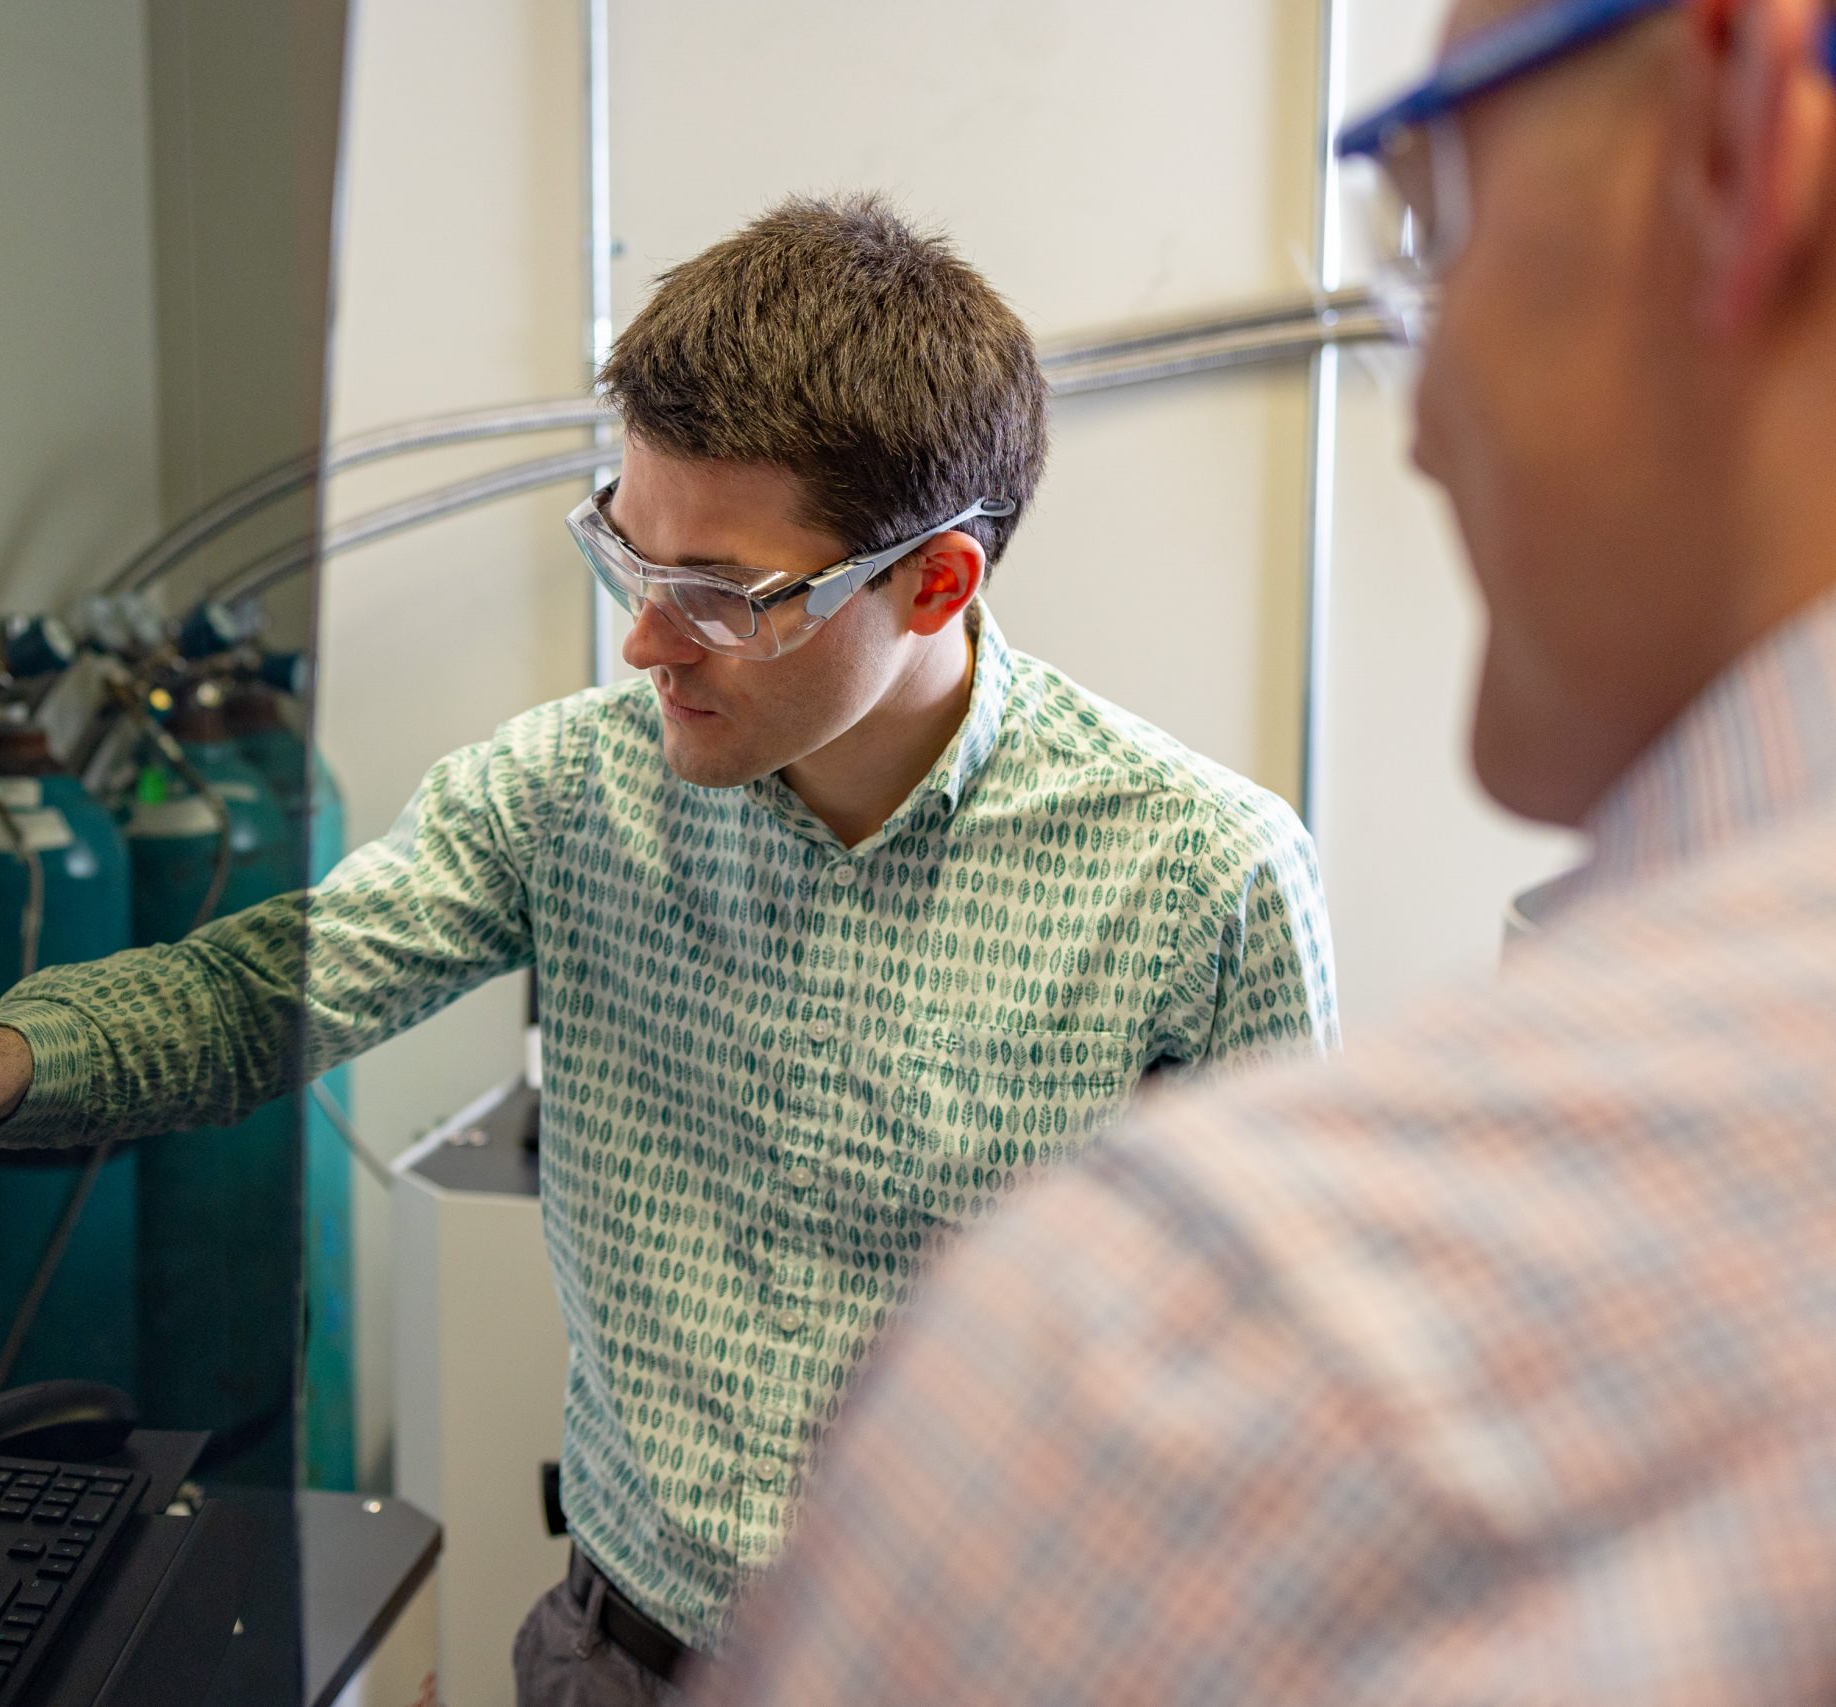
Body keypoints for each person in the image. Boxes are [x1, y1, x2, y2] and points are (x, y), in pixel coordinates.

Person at [0, 194, 1339, 1703]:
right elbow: (263, 990)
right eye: (622, 546)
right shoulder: (567, 794)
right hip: (619, 1659)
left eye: (724, 593)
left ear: (939, 585)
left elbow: (1300, 1391)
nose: (645, 636)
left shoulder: (1202, 881)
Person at [696, 2, 1836, 1702]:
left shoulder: (1185, 1356)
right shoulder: (580, 782)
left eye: (1433, 218)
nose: (1423, 422)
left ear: (1741, 140)